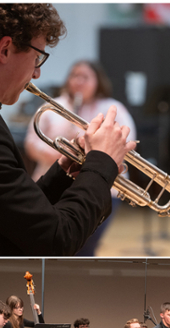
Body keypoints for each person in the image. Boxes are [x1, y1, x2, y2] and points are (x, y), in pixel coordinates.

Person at [0, 3, 134, 256]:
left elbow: (10, 221)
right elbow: (58, 239)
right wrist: (101, 163)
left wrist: (62, 175)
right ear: (5, 49)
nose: (37, 73)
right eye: (37, 57)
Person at [23, 59, 137, 256]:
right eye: (74, 75)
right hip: (52, 184)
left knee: (84, 249)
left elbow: (127, 144)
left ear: (97, 81)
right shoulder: (54, 106)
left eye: (85, 77)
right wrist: (54, 154)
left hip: (102, 189)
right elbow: (31, 142)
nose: (79, 81)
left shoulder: (111, 108)